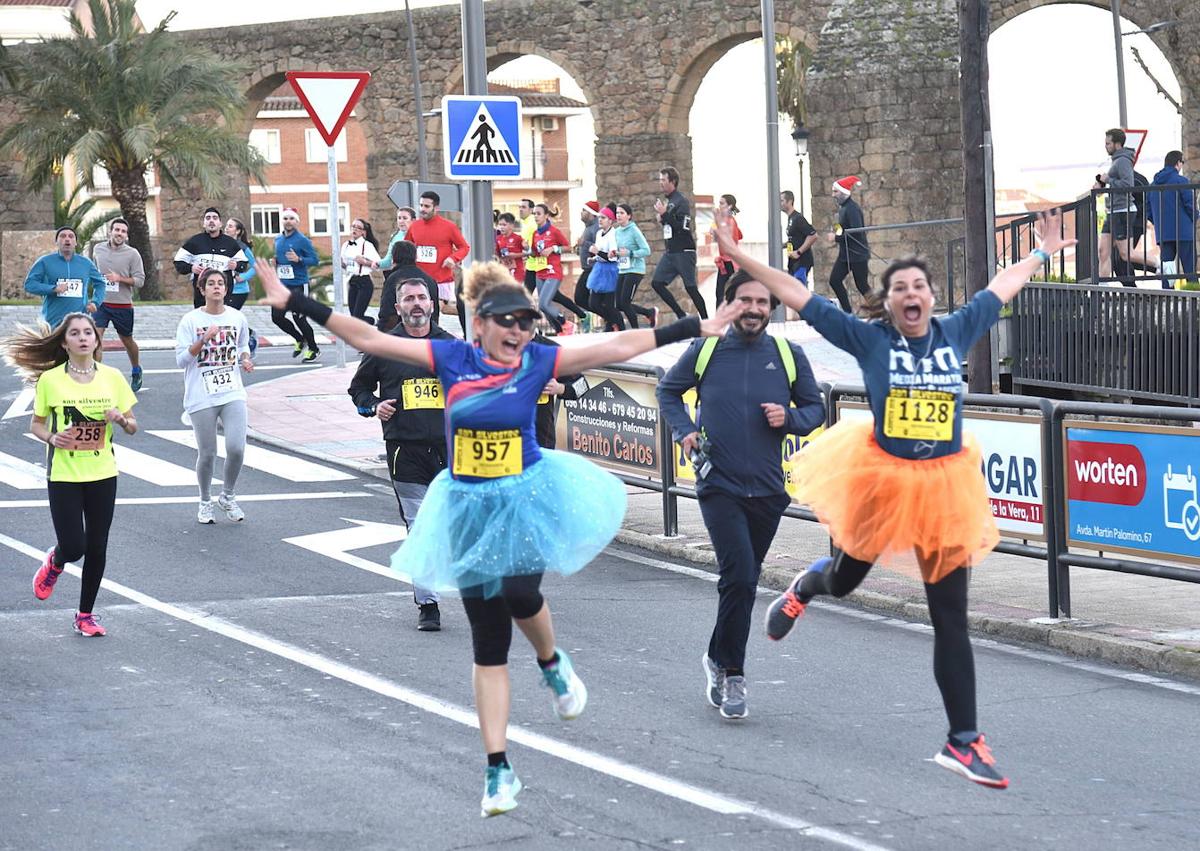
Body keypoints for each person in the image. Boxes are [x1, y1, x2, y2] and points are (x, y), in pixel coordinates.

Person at [257, 257, 741, 817]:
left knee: (520, 595)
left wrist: (692, 326)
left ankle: (552, 661)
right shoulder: (451, 357)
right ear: (479, 323)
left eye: (527, 322)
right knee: (487, 643)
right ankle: (497, 770)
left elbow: (616, 346)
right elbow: (367, 336)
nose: (518, 331)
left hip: (522, 501)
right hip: (465, 507)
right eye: (507, 321)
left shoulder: (539, 360)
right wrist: (295, 302)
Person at [715, 207, 1075, 789]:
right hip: (882, 478)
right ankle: (808, 585)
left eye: (920, 287)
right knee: (846, 578)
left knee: (950, 617)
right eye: (900, 287)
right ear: (889, 301)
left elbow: (999, 287)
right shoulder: (869, 338)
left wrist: (1041, 253)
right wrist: (741, 255)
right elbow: (792, 293)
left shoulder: (956, 329)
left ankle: (963, 741)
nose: (912, 294)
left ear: (932, 299)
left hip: (944, 486)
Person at [657, 270, 824, 720]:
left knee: (743, 582)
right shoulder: (706, 349)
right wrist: (685, 431)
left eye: (762, 302)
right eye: (745, 300)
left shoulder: (788, 356)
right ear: (729, 305)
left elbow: (815, 409)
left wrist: (787, 419)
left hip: (769, 490)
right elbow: (668, 391)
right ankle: (733, 673)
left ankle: (716, 656)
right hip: (719, 485)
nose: (754, 308)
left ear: (771, 309)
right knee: (740, 576)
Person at [2, 312, 138, 637]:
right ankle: (56, 560)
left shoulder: (113, 377)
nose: (82, 337)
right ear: (65, 342)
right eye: (74, 333)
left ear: (96, 339)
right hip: (64, 473)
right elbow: (35, 423)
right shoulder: (51, 380)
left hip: (103, 471)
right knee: (74, 546)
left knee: (98, 547)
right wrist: (51, 437)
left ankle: (85, 615)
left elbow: (133, 426)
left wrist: (120, 420)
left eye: (87, 332)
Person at [348, 278, 455, 631]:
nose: (416, 304)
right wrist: (373, 405)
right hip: (404, 448)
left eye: (422, 297)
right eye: (408, 299)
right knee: (419, 525)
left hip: (450, 450)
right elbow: (359, 388)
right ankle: (428, 604)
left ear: (432, 303)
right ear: (398, 308)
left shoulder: (451, 346)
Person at [175, 269, 253, 525]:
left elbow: (242, 344)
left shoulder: (237, 317)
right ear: (202, 289)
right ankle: (205, 501)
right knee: (207, 453)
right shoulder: (190, 320)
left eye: (221, 283)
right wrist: (203, 340)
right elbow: (181, 360)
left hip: (232, 390)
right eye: (211, 283)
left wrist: (245, 358)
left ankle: (228, 496)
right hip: (201, 394)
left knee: (236, 448)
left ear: (227, 289)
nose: (217, 287)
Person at [91, 218, 147, 392]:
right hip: (101, 303)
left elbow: (140, 281)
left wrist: (119, 278)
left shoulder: (132, 254)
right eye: (117, 230)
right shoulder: (97, 249)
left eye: (123, 231)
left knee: (127, 340)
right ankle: (95, 378)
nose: (119, 233)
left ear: (126, 235)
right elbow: (92, 271)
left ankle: (136, 369)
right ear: (110, 231)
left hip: (122, 304)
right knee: (96, 340)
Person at [1095, 128, 1158, 279]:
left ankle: (1159, 264)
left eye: (1108, 143)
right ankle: (1102, 288)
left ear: (1117, 144)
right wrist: (1101, 184)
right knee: (1103, 251)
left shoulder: (1123, 161)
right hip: (1112, 211)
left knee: (1126, 254)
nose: (1106, 146)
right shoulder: (1116, 160)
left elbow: (1128, 184)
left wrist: (1108, 180)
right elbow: (1114, 182)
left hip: (1123, 211)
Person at [23, 226, 106, 328]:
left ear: (75, 242)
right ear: (56, 242)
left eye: (71, 236)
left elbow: (100, 284)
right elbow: (29, 285)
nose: (67, 239)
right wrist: (53, 288)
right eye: (62, 236)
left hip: (79, 319)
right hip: (52, 320)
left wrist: (95, 302)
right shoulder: (45, 261)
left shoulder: (86, 263)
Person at [651, 166, 705, 318]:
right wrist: (662, 218)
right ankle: (681, 315)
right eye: (659, 179)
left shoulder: (681, 201)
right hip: (671, 252)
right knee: (657, 283)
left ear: (672, 181)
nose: (660, 183)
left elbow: (682, 227)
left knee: (691, 288)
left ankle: (707, 321)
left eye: (663, 180)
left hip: (684, 251)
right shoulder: (668, 201)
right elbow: (670, 224)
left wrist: (664, 215)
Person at [405, 190, 470, 315]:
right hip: (419, 279)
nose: (423, 209)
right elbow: (406, 248)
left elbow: (464, 247)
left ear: (436, 208)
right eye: (421, 205)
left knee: (436, 314)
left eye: (427, 206)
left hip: (441, 280)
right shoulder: (414, 226)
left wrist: (453, 258)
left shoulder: (449, 226)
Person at [173, 206, 248, 309]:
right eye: (208, 218)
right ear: (204, 223)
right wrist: (191, 268)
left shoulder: (230, 243)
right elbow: (178, 262)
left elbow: (244, 264)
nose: (211, 221)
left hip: (224, 297)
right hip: (201, 297)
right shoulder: (194, 241)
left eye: (215, 218)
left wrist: (236, 265)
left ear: (220, 223)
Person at [273, 207, 321, 361]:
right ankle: (299, 339)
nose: (288, 221)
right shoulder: (278, 239)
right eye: (285, 218)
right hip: (282, 286)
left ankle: (314, 349)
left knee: (299, 318)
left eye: (291, 219)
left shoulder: (302, 240)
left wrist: (299, 259)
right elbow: (281, 260)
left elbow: (315, 260)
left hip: (298, 285)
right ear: (282, 221)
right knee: (276, 317)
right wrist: (275, 262)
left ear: (297, 221)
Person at [1147, 150, 1196, 287]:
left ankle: (1168, 303)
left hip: (1164, 233)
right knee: (1189, 271)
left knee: (1167, 271)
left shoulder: (1153, 185)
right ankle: (1195, 303)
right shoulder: (1182, 181)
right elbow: (1190, 205)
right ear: (1178, 163)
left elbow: (1148, 210)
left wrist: (1158, 222)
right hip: (1184, 232)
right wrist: (1195, 217)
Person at [826, 176, 871, 312]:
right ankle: (847, 312)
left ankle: (883, 310)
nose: (833, 195)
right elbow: (844, 228)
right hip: (846, 254)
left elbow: (856, 231)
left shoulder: (852, 208)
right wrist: (837, 231)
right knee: (835, 280)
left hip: (857, 254)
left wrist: (836, 237)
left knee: (862, 285)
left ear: (844, 192)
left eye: (836, 192)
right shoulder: (843, 208)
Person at [378, 240, 439, 333]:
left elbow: (387, 312)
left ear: (394, 257)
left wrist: (383, 333)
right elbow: (435, 312)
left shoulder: (393, 279)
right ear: (415, 256)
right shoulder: (429, 279)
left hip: (401, 335)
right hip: (427, 333)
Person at [530, 203, 572, 333]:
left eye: (538, 214)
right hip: (540, 272)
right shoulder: (535, 234)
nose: (536, 216)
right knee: (543, 307)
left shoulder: (554, 231)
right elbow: (535, 252)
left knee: (543, 303)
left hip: (553, 272)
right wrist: (528, 251)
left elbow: (567, 247)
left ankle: (566, 323)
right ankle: (559, 330)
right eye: (534, 214)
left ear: (546, 215)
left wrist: (553, 248)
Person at [613, 203, 656, 329]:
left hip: (635, 270)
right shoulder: (617, 232)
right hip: (623, 269)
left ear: (629, 216)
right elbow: (619, 250)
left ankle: (635, 331)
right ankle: (649, 313)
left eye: (622, 213)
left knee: (625, 303)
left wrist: (631, 253)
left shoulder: (634, 230)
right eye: (617, 213)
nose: (618, 215)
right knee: (619, 304)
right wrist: (614, 253)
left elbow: (646, 250)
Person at [223, 217, 259, 356]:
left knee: (229, 319)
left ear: (238, 231)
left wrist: (242, 277)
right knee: (226, 319)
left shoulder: (243, 248)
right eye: (226, 225)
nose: (227, 228)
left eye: (231, 226)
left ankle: (249, 338)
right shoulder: (221, 244)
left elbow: (255, 267)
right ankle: (247, 335)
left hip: (239, 291)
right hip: (225, 290)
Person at [586, 206, 624, 331]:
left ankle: (619, 326)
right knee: (593, 304)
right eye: (599, 217)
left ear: (610, 221)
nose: (600, 220)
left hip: (610, 270)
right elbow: (599, 253)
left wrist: (598, 252)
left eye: (603, 218)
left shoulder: (613, 234)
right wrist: (594, 258)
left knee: (609, 305)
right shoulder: (598, 233)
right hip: (599, 269)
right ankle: (613, 322)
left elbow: (611, 257)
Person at [342, 218, 382, 322]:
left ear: (363, 232)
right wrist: (343, 264)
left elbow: (378, 264)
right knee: (353, 317)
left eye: (358, 228)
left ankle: (374, 321)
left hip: (364, 282)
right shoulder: (346, 245)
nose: (354, 229)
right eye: (353, 226)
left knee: (357, 317)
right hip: (352, 280)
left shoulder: (367, 245)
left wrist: (365, 262)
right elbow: (345, 264)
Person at [781, 190, 818, 287]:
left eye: (782, 201)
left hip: (802, 261)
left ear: (789, 202)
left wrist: (799, 252)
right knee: (794, 289)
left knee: (799, 289)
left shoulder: (798, 218)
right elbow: (794, 238)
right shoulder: (790, 219)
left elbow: (813, 235)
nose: (780, 204)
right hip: (793, 262)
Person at [711, 194, 743, 306]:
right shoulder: (722, 221)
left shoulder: (730, 221)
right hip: (724, 261)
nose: (719, 206)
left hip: (731, 262)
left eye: (722, 203)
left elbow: (729, 239)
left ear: (729, 206)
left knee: (730, 293)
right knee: (720, 293)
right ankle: (720, 319)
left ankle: (734, 317)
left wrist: (717, 230)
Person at [574, 200, 601, 324]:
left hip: (594, 268)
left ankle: (610, 317)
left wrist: (583, 243)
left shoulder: (595, 228)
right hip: (588, 268)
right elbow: (586, 248)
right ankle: (609, 317)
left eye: (584, 210)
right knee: (584, 299)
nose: (581, 213)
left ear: (591, 214)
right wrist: (578, 248)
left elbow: (599, 248)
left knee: (580, 298)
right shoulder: (588, 228)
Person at [377, 206, 415, 273]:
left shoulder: (418, 235)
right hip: (398, 273)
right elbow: (389, 260)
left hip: (414, 273)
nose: (401, 221)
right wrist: (377, 264)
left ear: (413, 220)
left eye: (405, 218)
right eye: (399, 218)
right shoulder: (395, 236)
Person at [495, 212, 525, 285]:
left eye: (504, 225)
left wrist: (515, 255)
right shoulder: (498, 239)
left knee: (515, 292)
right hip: (504, 271)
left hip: (517, 271)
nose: (501, 227)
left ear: (511, 226)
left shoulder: (518, 238)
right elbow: (498, 255)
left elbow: (530, 253)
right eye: (500, 224)